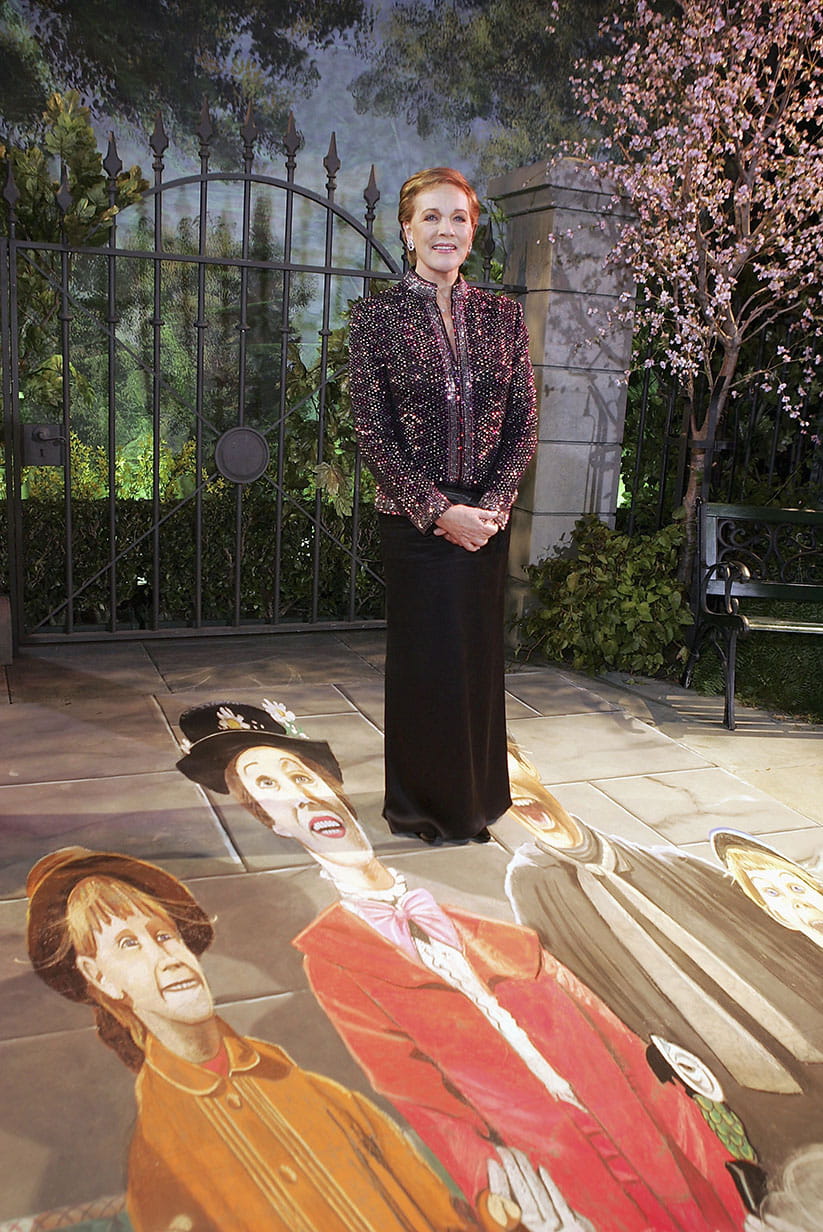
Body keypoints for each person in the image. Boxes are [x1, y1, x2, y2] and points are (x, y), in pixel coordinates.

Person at [176, 699, 750, 1232]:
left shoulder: (492, 928)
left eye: (302, 776)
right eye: (270, 788)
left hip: (639, 1126)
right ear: (272, 823)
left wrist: (708, 1140)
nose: (299, 796)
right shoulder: (335, 960)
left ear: (333, 787)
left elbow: (619, 1041)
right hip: (553, 1158)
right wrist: (486, 1179)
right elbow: (417, 1095)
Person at [26, 845, 480, 1232]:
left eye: (164, 934)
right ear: (99, 978)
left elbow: (441, 1212)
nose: (165, 956)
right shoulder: (160, 1156)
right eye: (128, 944)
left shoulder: (319, 1093)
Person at [503, 743, 823, 1176]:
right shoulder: (534, 882)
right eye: (494, 782)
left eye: (511, 772)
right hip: (728, 1073)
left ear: (530, 765)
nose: (513, 792)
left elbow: (765, 925)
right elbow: (569, 979)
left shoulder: (669, 863)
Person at [348, 167, 537, 844]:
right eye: (429, 217)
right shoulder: (375, 317)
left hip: (484, 521)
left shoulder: (503, 316)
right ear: (405, 231)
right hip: (414, 523)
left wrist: (491, 506)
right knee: (427, 668)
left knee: (478, 664)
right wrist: (436, 512)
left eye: (456, 218)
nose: (443, 231)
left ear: (472, 229)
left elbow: (523, 421)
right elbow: (373, 432)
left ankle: (478, 800)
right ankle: (422, 806)